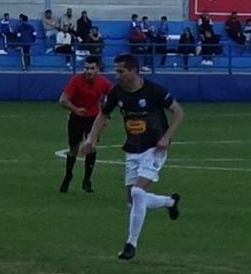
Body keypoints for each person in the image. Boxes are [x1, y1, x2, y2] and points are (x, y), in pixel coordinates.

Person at [80, 54, 184, 261]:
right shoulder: (117, 92)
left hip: (155, 149)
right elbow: (103, 115)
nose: (116, 74)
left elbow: (179, 112)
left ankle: (131, 244)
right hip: (133, 149)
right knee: (133, 201)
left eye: (120, 71)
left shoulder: (154, 91)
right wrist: (91, 138)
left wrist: (166, 138)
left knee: (137, 192)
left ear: (133, 70)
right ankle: (169, 202)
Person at [58, 56, 112, 193]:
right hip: (77, 118)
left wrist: (106, 115)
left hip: (93, 119)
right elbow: (63, 100)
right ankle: (68, 176)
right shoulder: (76, 80)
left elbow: (112, 97)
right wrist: (76, 109)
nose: (89, 71)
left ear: (98, 69)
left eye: (92, 68)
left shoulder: (103, 83)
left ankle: (87, 180)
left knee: (91, 147)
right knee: (73, 149)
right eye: (87, 68)